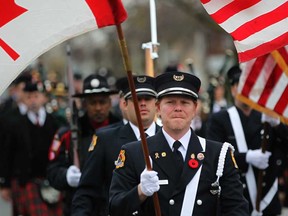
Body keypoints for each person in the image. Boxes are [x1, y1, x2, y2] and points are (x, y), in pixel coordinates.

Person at [109, 71, 249, 216]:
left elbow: (236, 208)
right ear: (158, 108)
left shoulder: (218, 154)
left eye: (184, 102)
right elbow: (115, 207)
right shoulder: (135, 152)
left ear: (195, 108)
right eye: (170, 102)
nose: (178, 108)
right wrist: (140, 192)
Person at [71, 75, 160, 215]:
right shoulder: (105, 139)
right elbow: (87, 191)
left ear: (156, 104)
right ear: (124, 104)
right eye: (136, 99)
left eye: (148, 99)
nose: (142, 104)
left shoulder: (168, 138)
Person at [206, 65, 288, 216]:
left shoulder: (268, 117)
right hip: (237, 199)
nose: (246, 92)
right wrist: (246, 157)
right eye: (241, 86)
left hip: (267, 198)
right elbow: (213, 156)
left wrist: (278, 125)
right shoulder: (220, 119)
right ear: (232, 90)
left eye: (251, 86)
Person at [47, 74, 121, 215]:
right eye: (93, 103)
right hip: (79, 206)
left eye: (102, 102)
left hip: (113, 205)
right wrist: (66, 176)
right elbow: (52, 171)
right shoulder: (68, 134)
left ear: (110, 103)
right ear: (84, 104)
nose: (98, 108)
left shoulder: (123, 130)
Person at [0, 81, 62, 215]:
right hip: (26, 180)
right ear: (24, 99)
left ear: (44, 98)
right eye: (29, 97)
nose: (33, 100)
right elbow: (7, 154)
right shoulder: (16, 124)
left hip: (51, 179)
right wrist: (5, 184)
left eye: (36, 96)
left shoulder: (55, 122)